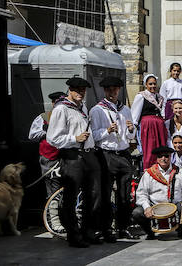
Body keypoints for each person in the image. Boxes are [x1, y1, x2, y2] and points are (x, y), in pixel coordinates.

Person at [48, 77, 104, 247]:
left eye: (83, 90)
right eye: (77, 90)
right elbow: (53, 138)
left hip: (88, 154)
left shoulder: (83, 107)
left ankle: (88, 231)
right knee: (71, 197)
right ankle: (74, 234)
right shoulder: (61, 109)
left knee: (94, 194)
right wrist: (75, 138)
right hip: (72, 156)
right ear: (70, 91)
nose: (81, 93)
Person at [90, 76, 137, 240]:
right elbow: (93, 136)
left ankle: (123, 227)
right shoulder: (97, 110)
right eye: (109, 89)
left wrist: (132, 129)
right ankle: (105, 229)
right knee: (105, 193)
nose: (112, 92)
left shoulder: (125, 109)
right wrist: (107, 131)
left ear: (119, 90)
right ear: (104, 91)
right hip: (106, 154)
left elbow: (130, 135)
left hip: (123, 153)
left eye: (115, 89)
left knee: (124, 195)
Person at [132, 145, 182, 240]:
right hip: (154, 206)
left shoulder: (180, 172)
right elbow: (141, 194)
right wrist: (147, 207)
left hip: (174, 206)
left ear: (170, 157)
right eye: (160, 156)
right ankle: (150, 233)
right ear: (157, 159)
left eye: (166, 156)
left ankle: (181, 231)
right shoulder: (149, 174)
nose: (163, 159)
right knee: (137, 212)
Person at [29, 91, 67, 199]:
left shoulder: (69, 117)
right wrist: (47, 132)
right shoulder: (44, 117)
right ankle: (53, 214)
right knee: (53, 190)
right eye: (58, 103)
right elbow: (32, 135)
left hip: (67, 158)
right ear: (53, 103)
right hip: (50, 159)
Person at [133, 74, 167, 170]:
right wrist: (133, 132)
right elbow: (135, 115)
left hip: (159, 127)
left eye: (154, 84)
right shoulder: (141, 96)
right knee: (148, 151)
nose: (153, 86)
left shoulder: (159, 97)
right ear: (146, 85)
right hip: (147, 127)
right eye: (150, 84)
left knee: (160, 150)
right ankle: (147, 171)